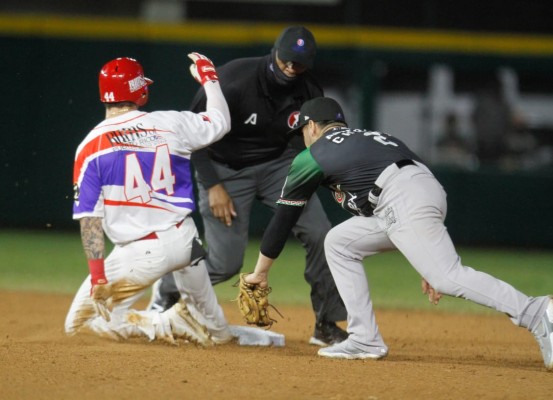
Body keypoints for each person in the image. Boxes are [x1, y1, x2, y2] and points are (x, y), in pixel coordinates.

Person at [243, 96, 553, 368]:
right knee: (338, 242)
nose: (303, 138)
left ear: (312, 126)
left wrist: (259, 273)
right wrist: (424, 256)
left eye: (302, 132)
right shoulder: (371, 138)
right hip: (416, 191)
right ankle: (364, 338)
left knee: (446, 275)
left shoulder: (312, 155)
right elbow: (409, 191)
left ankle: (536, 312)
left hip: (402, 197)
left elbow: (284, 218)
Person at [149, 26, 348, 346]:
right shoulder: (234, 80)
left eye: (299, 64)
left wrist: (322, 180)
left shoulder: (308, 90)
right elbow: (191, 133)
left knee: (321, 233)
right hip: (223, 168)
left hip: (278, 165)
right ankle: (168, 290)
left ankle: (326, 323)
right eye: (287, 60)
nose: (291, 68)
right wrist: (212, 184)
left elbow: (314, 142)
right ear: (275, 53)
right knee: (226, 263)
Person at [65, 53, 235, 345]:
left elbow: (90, 221)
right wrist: (209, 79)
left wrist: (98, 277)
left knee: (81, 326)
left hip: (142, 254)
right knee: (215, 330)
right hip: (186, 241)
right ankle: (219, 330)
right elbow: (221, 122)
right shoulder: (171, 123)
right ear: (139, 90)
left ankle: (165, 322)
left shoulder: (90, 147)